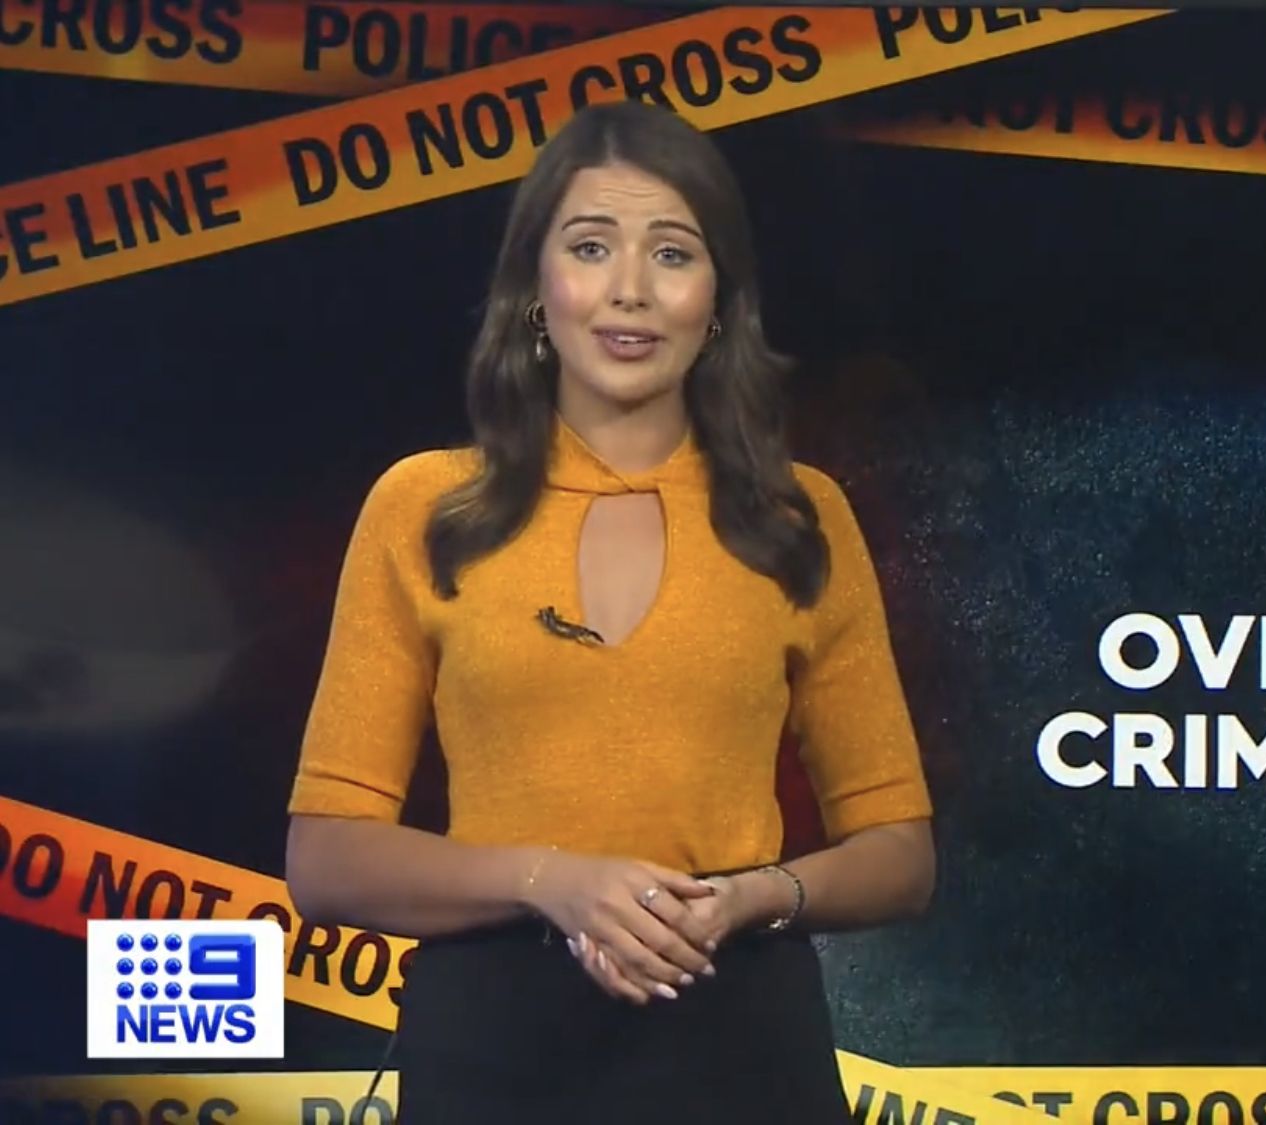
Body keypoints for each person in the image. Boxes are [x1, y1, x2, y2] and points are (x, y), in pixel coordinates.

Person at [282, 100, 936, 1123]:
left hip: (740, 1043)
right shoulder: (424, 510)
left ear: (717, 301)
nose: (630, 288)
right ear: (535, 289)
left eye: (671, 253)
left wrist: (755, 895)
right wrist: (550, 880)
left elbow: (901, 857)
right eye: (591, 247)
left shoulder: (797, 520)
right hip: (492, 1051)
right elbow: (325, 860)